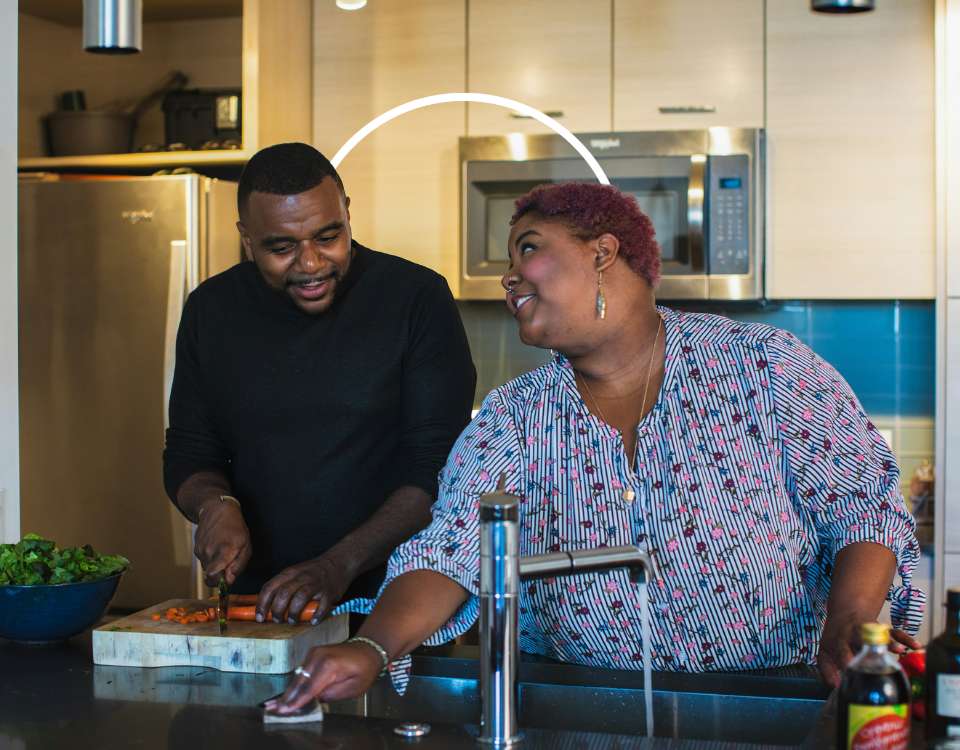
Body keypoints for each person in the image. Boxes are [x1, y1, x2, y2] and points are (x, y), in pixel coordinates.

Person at [265, 181, 924, 714]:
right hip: (577, 705)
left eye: (527, 249)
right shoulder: (515, 416)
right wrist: (375, 648)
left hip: (772, 698)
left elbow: (861, 507)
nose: (509, 277)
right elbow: (451, 553)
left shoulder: (764, 368)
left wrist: (851, 621)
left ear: (603, 253)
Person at [162, 142, 476, 623]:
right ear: (247, 238)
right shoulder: (212, 310)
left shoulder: (415, 299)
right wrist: (213, 506)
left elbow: (438, 470)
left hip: (397, 605)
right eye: (282, 247)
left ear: (347, 214)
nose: (310, 264)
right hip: (259, 604)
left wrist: (337, 566)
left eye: (328, 237)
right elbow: (189, 451)